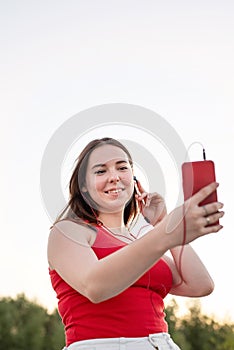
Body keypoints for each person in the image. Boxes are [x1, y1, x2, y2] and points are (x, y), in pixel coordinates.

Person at [47, 137, 224, 350]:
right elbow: (95, 287)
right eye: (101, 171)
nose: (114, 177)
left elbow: (200, 284)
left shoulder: (143, 243)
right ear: (84, 186)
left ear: (134, 179)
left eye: (122, 167)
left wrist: (162, 224)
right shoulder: (68, 231)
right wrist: (167, 232)